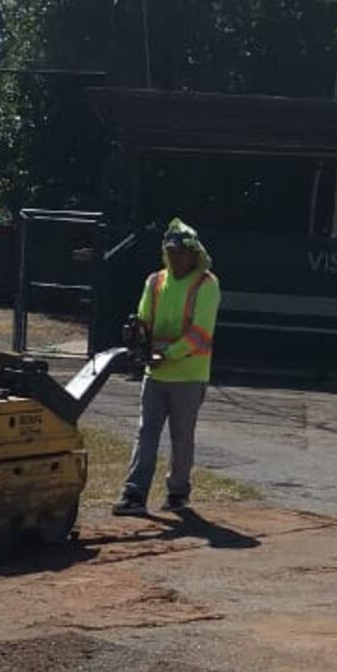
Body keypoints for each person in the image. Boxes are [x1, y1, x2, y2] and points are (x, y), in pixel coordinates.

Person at [113, 217, 220, 516]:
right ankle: (134, 494)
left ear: (193, 253)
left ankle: (178, 493)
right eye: (169, 253)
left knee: (181, 436)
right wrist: (137, 338)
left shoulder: (206, 284)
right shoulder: (155, 281)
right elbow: (144, 318)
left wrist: (168, 354)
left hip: (189, 374)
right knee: (146, 432)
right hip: (155, 372)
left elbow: (200, 333)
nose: (174, 259)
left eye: (179, 253)